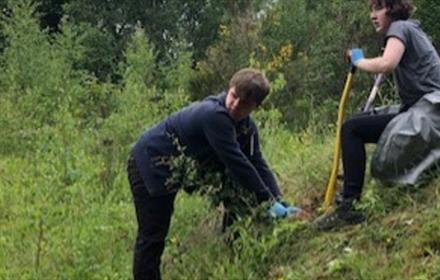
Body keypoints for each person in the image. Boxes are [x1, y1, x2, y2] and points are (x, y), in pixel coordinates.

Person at [127, 68, 301, 280]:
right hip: (150, 161)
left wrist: (278, 200)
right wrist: (266, 200)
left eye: (244, 103)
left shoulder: (246, 128)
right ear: (229, 89)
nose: (235, 105)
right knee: (153, 234)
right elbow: (237, 163)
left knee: (237, 196)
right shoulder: (214, 115)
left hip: (174, 166)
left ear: (256, 107)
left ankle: (233, 258)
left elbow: (257, 162)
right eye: (234, 96)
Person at [314, 0, 440, 231]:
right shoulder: (411, 29)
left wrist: (359, 61)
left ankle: (349, 206)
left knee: (351, 129)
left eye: (379, 8)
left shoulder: (400, 28)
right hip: (422, 108)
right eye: (372, 9)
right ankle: (351, 198)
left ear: (393, 10)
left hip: (430, 111)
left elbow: (387, 63)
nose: (373, 15)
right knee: (358, 123)